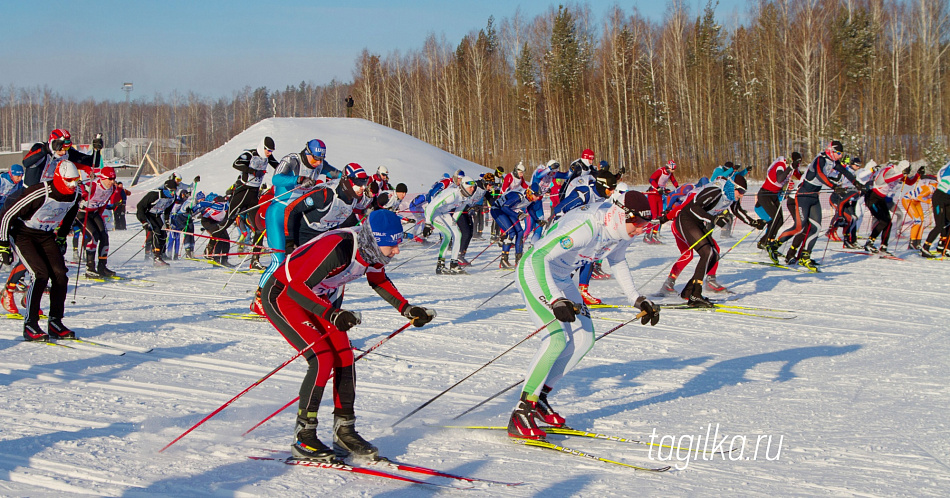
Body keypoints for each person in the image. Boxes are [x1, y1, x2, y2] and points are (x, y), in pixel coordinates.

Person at [260, 209, 435, 461]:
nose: (396, 251)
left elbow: (378, 279)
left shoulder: (371, 249)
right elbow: (297, 287)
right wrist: (331, 314)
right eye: (391, 245)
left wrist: (407, 309)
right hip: (283, 295)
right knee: (321, 358)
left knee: (344, 356)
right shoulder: (339, 248)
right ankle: (304, 436)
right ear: (376, 240)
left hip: (316, 297)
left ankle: (345, 430)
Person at [507, 191, 660, 439]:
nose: (641, 230)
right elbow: (537, 257)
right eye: (638, 224)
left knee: (584, 339)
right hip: (535, 272)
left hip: (563, 278)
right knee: (555, 339)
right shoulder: (587, 226)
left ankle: (539, 400)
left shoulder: (621, 231)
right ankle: (521, 411)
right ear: (622, 215)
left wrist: (636, 298)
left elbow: (617, 260)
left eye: (645, 225)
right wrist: (556, 300)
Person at [253, 139, 340, 315]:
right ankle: (259, 300)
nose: (318, 163)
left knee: (302, 260)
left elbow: (336, 173)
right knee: (278, 259)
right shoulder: (293, 159)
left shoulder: (319, 163)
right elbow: (276, 178)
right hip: (279, 212)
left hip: (299, 215)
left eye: (320, 160)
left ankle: (293, 297)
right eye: (315, 159)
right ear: (307, 152)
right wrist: (298, 179)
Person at [0, 160, 82, 341]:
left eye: (75, 180)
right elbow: (7, 214)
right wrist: (3, 244)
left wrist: (61, 237)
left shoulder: (75, 194)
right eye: (69, 180)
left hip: (45, 235)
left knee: (60, 274)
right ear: (60, 178)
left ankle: (55, 322)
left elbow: (70, 215)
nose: (73, 184)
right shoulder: (41, 191)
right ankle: (30, 324)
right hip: (23, 233)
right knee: (40, 274)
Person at [783, 140, 863, 270]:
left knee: (811, 228)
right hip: (795, 198)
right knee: (802, 228)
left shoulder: (831, 165)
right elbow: (821, 177)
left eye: (841, 155)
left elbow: (835, 176)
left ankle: (801, 256)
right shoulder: (820, 162)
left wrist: (854, 183)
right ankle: (787, 253)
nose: (840, 158)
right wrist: (834, 186)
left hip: (811, 197)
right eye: (838, 154)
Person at [285, 163, 371, 251]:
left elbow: (353, 208)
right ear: (346, 181)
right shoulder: (324, 194)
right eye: (359, 183)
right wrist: (289, 243)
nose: (363, 187)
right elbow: (291, 209)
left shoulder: (355, 197)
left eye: (365, 182)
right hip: (304, 233)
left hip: (325, 234)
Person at [230, 137, 279, 268]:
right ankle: (211, 248)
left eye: (271, 151)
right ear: (262, 147)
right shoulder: (250, 154)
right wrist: (253, 171)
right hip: (242, 190)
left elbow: (279, 167)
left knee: (259, 228)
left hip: (253, 194)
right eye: (268, 150)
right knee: (228, 220)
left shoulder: (268, 158)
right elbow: (236, 163)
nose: (269, 153)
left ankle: (255, 260)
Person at [425, 176, 478, 274]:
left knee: (458, 234)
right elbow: (431, 206)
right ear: (463, 186)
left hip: (444, 213)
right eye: (470, 187)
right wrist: (428, 224)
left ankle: (454, 264)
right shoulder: (452, 194)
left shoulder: (466, 197)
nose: (472, 189)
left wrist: (453, 221)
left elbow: (459, 210)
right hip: (433, 212)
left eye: (474, 187)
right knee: (447, 235)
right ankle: (440, 265)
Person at [77, 166, 121, 277]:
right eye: (109, 179)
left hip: (95, 213)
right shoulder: (92, 186)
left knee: (104, 237)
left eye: (113, 178)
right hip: (81, 213)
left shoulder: (112, 189)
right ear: (102, 178)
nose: (112, 181)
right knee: (93, 236)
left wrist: (99, 217)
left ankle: (102, 267)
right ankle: (90, 268)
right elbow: (76, 196)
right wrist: (79, 186)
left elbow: (104, 204)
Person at [22, 129, 102, 187]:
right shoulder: (39, 147)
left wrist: (96, 150)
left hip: (50, 193)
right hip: (31, 192)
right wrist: (46, 149)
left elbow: (93, 162)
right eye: (61, 148)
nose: (64, 152)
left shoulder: (68, 152)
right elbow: (26, 162)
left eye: (66, 149)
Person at [755, 153, 800, 251]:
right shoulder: (781, 164)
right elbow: (779, 178)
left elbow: (800, 177)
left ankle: (766, 242)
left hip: (773, 195)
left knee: (780, 220)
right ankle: (766, 242)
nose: (798, 164)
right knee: (775, 219)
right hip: (765, 194)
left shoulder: (790, 168)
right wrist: (791, 167)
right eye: (797, 162)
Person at [863, 161, 910, 255]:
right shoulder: (889, 170)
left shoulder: (899, 174)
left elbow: (910, 181)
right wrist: (901, 173)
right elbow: (886, 179)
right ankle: (869, 243)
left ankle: (884, 246)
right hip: (872, 197)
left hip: (881, 199)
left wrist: (918, 175)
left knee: (888, 222)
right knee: (883, 221)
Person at [136, 179, 179, 266]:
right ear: (166, 189)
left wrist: (167, 222)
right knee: (156, 233)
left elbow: (168, 210)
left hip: (157, 215)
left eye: (174, 191)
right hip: (147, 214)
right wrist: (143, 221)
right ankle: (156, 257)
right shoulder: (155, 194)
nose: (173, 193)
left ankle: (161, 254)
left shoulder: (173, 198)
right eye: (171, 191)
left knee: (163, 234)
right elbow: (140, 206)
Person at [645, 159, 679, 243]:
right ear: (669, 167)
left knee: (660, 216)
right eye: (673, 169)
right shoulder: (661, 171)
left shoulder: (670, 173)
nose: (673, 171)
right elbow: (651, 179)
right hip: (653, 194)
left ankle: (655, 234)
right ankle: (647, 234)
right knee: (654, 216)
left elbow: (673, 180)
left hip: (659, 195)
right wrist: (658, 187)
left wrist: (678, 188)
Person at [900, 171, 935, 250]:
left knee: (922, 221)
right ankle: (912, 242)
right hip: (908, 200)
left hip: (916, 202)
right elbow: (920, 197)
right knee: (917, 221)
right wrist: (930, 202)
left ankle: (918, 242)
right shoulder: (932, 188)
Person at [921, 160, 950, 257]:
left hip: (948, 199)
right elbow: (940, 174)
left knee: (948, 223)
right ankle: (925, 248)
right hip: (940, 197)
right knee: (940, 225)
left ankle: (945, 248)